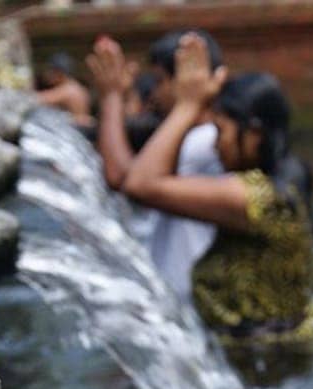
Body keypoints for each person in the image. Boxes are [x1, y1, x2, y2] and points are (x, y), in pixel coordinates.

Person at [122, 34, 313, 347]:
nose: (215, 144)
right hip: (262, 357)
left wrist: (188, 105)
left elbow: (139, 184)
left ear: (254, 135)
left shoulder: (253, 198)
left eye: (221, 131)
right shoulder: (279, 182)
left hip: (260, 363)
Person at [87, 32, 223, 301]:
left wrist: (111, 96)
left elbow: (123, 178)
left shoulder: (205, 142)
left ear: (185, 81)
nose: (155, 93)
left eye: (161, 81)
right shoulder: (187, 137)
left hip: (191, 303)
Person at [36, 52, 93, 126]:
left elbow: (37, 99)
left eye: (50, 71)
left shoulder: (69, 89)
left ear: (59, 73)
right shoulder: (75, 86)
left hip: (76, 131)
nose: (47, 74)